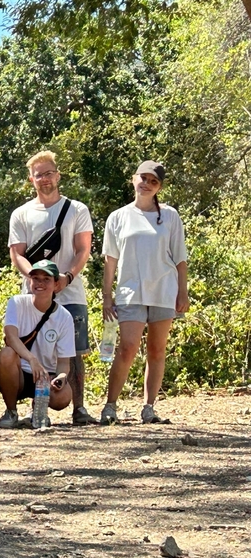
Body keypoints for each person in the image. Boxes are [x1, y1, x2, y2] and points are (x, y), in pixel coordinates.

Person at [9, 150, 95, 426]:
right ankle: (30, 408)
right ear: (30, 179)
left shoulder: (77, 210)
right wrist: (35, 279)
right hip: (33, 294)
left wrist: (66, 277)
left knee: (74, 351)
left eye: (49, 173)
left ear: (58, 175)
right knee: (29, 348)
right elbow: (17, 254)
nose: (44, 179)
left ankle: (79, 408)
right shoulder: (21, 214)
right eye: (38, 175)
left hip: (70, 290)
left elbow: (83, 249)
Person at [100, 161, 188, 425]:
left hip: (164, 290)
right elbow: (110, 260)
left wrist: (183, 292)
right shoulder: (118, 217)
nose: (147, 184)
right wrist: (107, 296)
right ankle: (110, 406)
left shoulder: (170, 215)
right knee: (126, 348)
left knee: (157, 350)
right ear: (133, 179)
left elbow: (180, 257)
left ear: (159, 187)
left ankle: (149, 407)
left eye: (154, 181)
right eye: (144, 178)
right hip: (130, 291)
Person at [0, 260, 75, 428]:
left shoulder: (65, 317)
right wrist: (32, 360)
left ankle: (38, 410)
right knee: (6, 354)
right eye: (36, 278)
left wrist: (60, 378)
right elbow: (10, 336)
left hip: (46, 378)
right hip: (20, 374)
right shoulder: (16, 303)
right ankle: (11, 411)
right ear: (29, 281)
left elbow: (64, 363)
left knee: (64, 396)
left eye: (46, 279)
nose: (40, 283)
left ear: (56, 284)